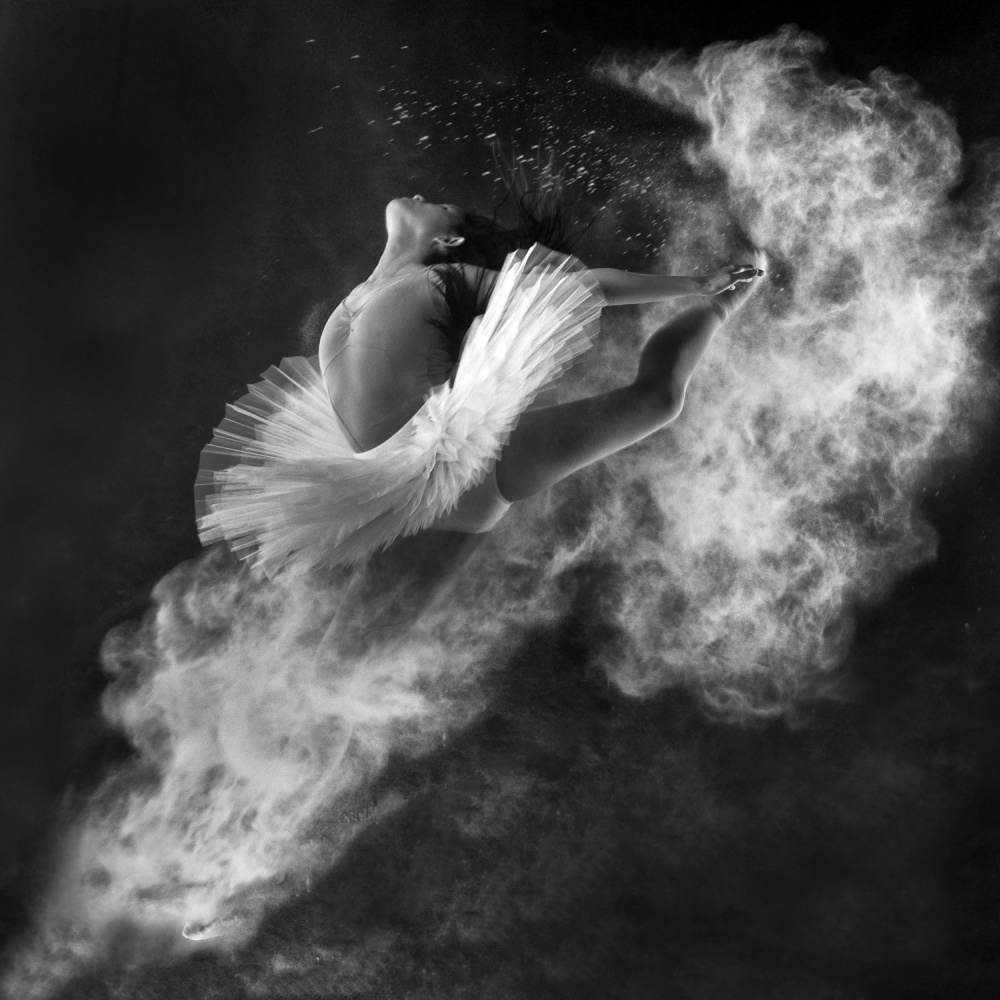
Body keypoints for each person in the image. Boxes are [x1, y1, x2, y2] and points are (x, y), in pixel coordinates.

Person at [195, 192, 765, 581]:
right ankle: (718, 309)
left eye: (441, 206)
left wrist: (696, 283)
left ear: (446, 241)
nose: (423, 195)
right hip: (423, 485)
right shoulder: (366, 294)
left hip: (449, 472)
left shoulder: (443, 278)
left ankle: (721, 302)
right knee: (657, 401)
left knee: (657, 400)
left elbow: (583, 287)